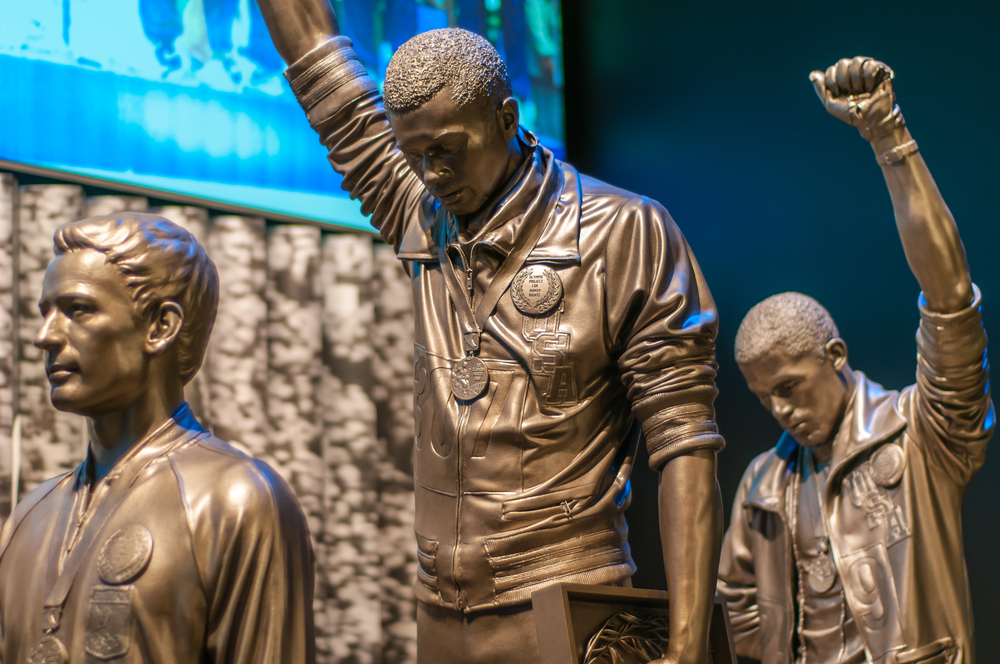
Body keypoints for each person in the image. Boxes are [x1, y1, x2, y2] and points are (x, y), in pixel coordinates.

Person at [253, 3, 727, 663]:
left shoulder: (625, 233)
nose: (432, 174)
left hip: (564, 602)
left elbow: (685, 447)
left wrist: (688, 645)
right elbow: (318, 60)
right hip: (441, 611)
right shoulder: (422, 213)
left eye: (448, 150)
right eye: (413, 155)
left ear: (506, 120)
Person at [718, 57, 991, 664]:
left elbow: (950, 302)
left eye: (789, 386)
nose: (781, 410)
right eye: (765, 398)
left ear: (835, 356)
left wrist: (888, 134)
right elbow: (738, 608)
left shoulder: (924, 434)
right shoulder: (762, 486)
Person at [0, 213, 316, 663]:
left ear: (160, 327)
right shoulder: (27, 518)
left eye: (78, 310)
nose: (44, 337)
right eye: (46, 312)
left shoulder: (238, 500)